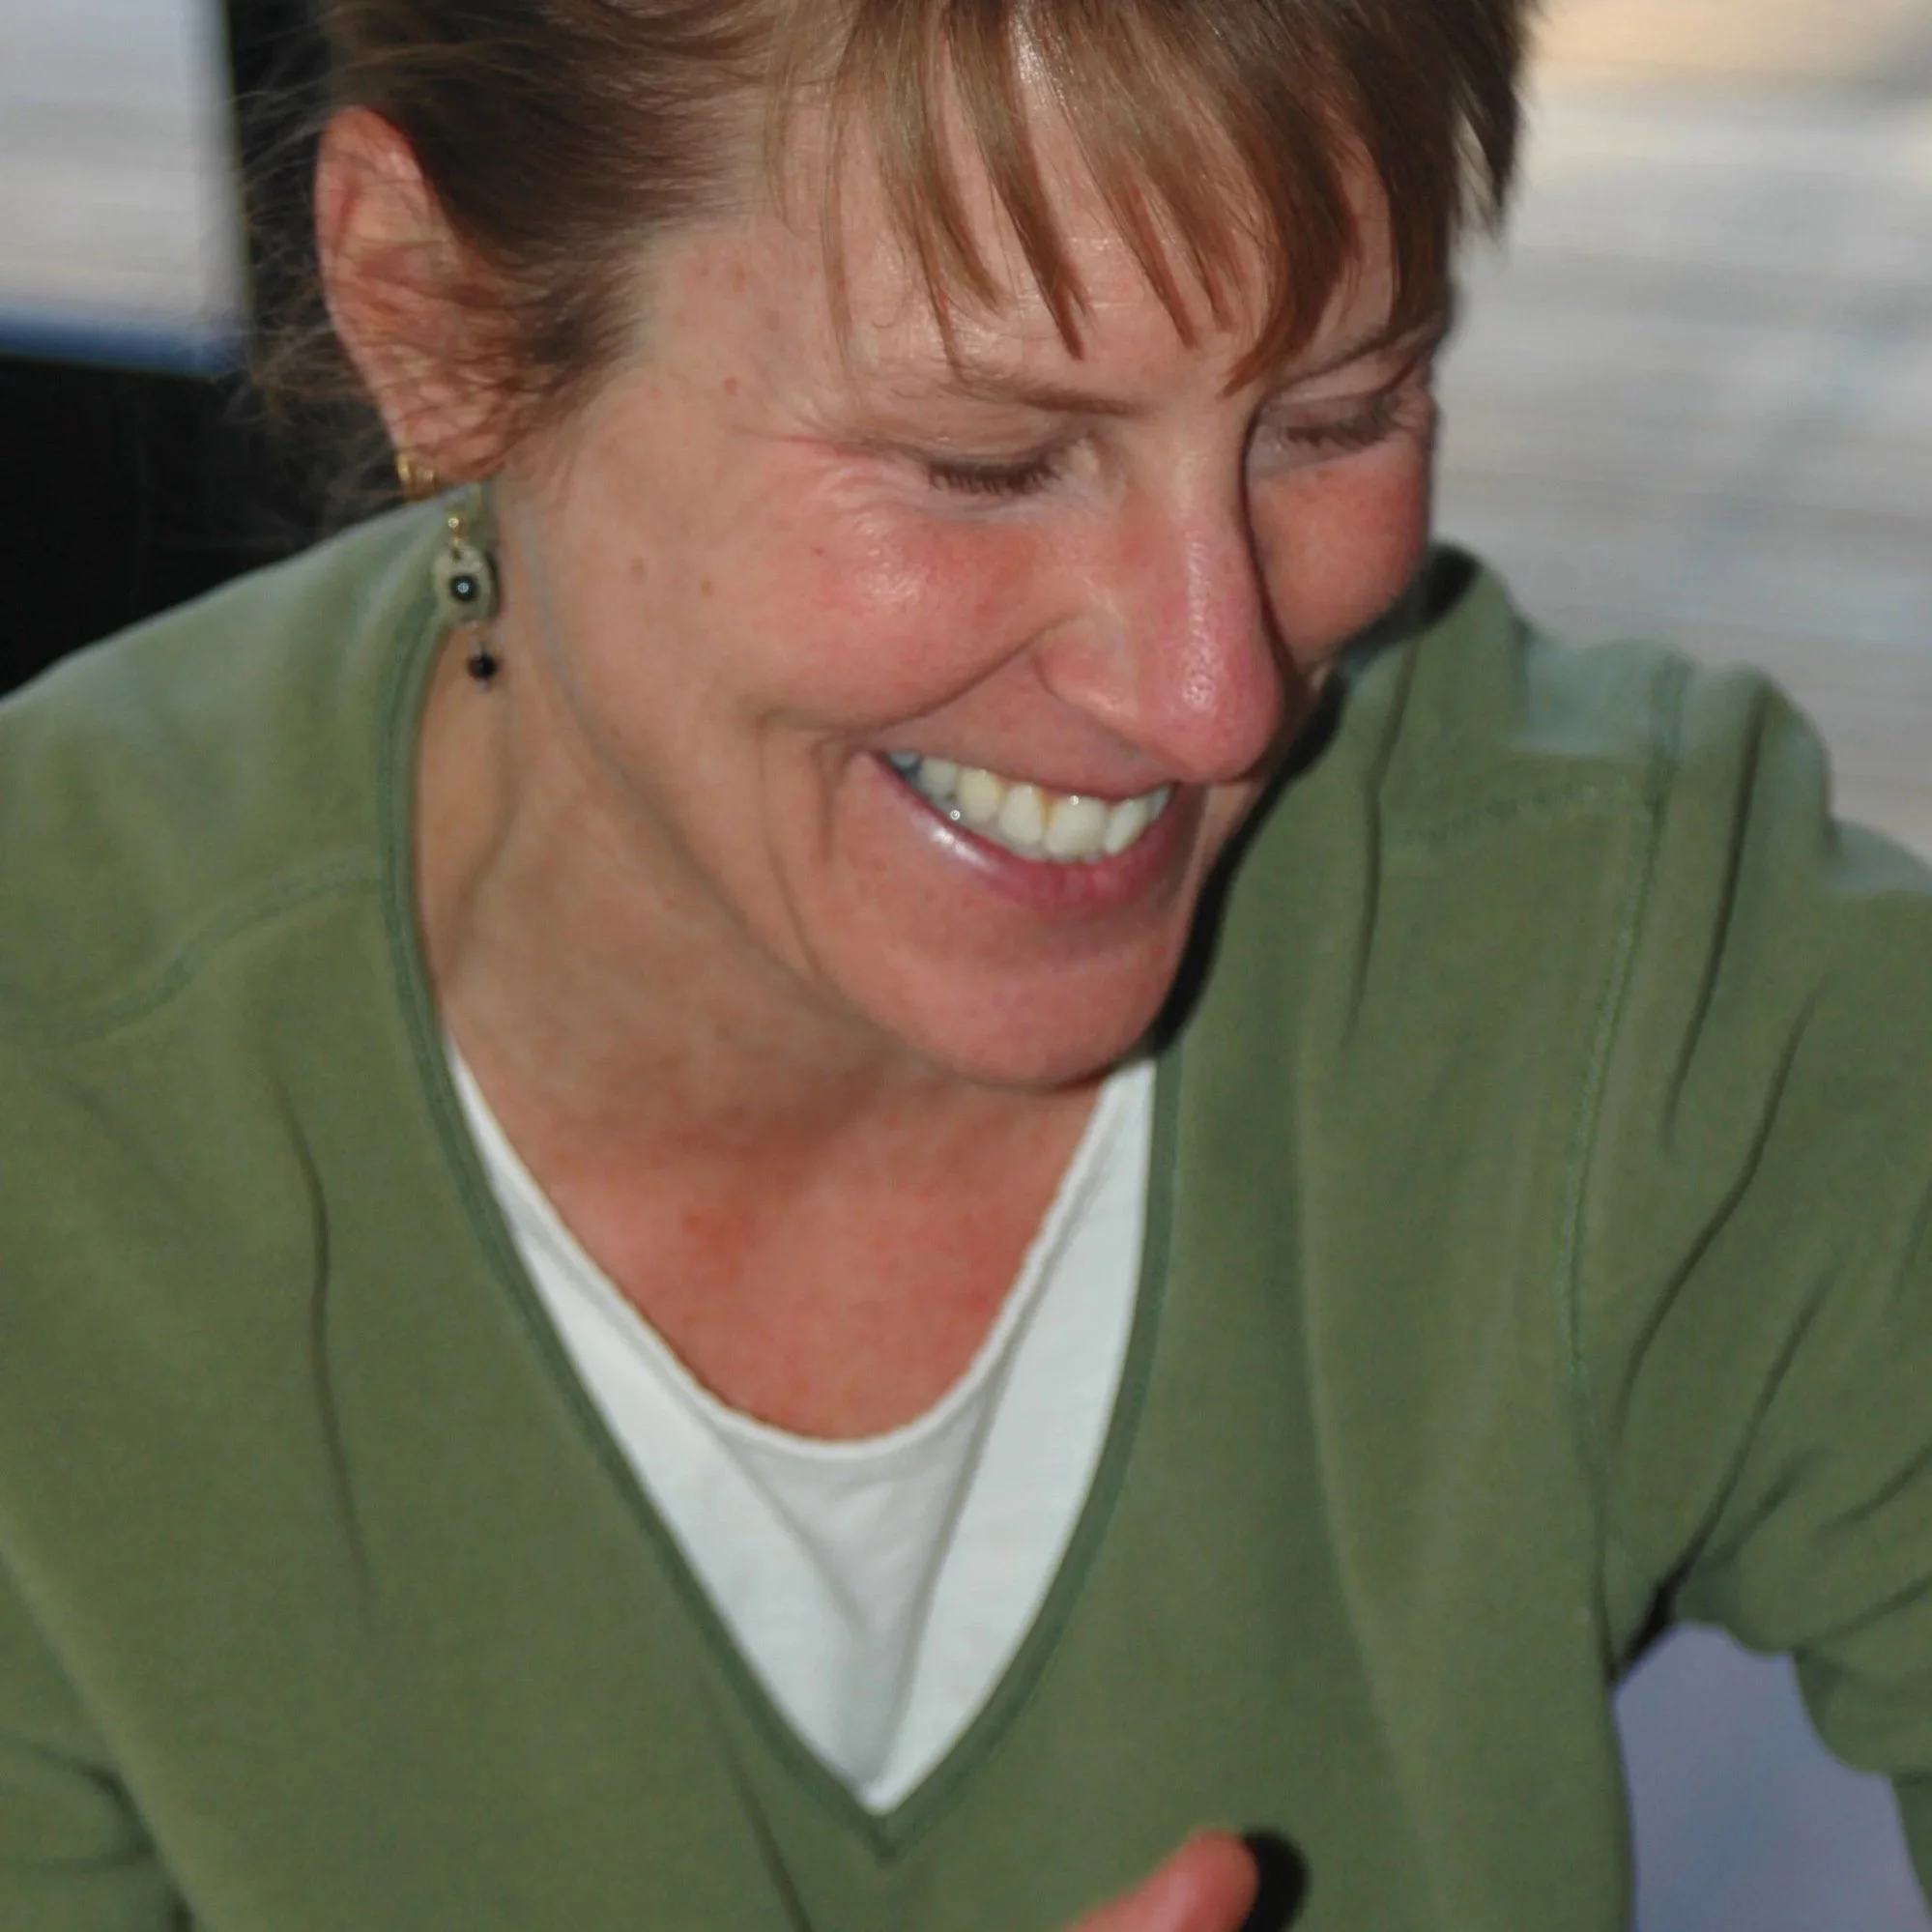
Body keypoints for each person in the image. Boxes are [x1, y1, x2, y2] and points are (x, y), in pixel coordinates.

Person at [2, 0, 1929, 1926]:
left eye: (1338, 417)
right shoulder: (63, 1105)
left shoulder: (1632, 965)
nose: (1217, 697)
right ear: (436, 316)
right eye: (988, 459)